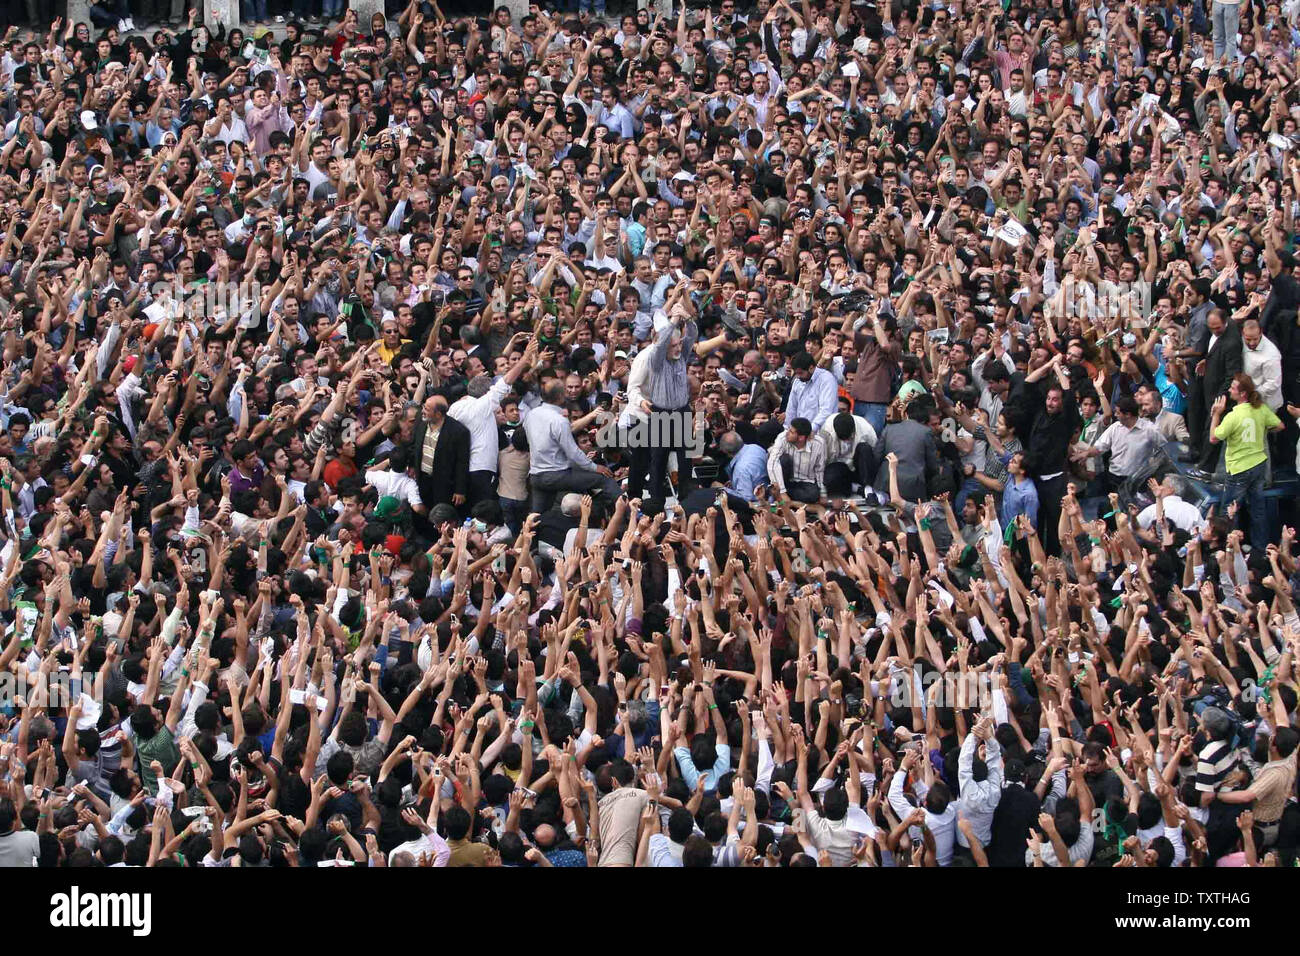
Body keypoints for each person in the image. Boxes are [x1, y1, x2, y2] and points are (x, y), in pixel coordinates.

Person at [1210, 373, 1284, 549]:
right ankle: (1261, 550)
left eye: (1233, 388)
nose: (1229, 390)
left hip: (1239, 469)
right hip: (1259, 465)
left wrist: (1216, 415)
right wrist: (1263, 429)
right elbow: (1280, 426)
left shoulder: (1233, 416)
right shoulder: (1260, 409)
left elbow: (1213, 438)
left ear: (1242, 393)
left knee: (1229, 511)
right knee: (1258, 511)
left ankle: (1227, 549)